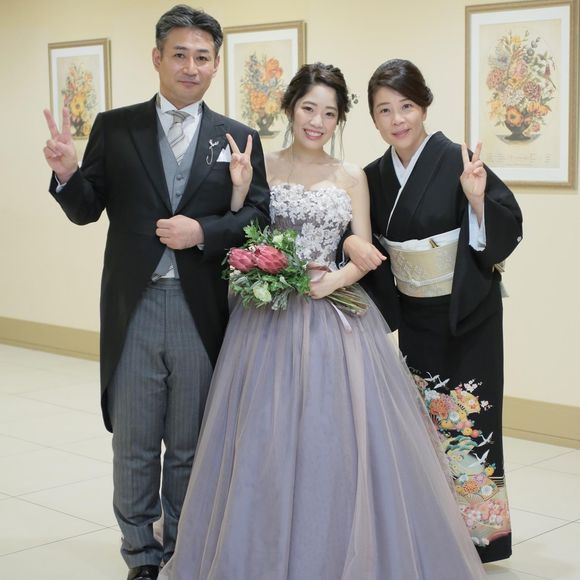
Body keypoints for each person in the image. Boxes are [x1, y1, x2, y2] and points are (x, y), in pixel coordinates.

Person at [159, 62, 486, 580]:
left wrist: (331, 282)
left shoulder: (352, 176)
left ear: (340, 120)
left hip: (333, 316)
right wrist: (240, 190)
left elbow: (364, 252)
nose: (317, 121)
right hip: (265, 317)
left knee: (336, 439)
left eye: (329, 113)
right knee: (263, 436)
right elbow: (244, 231)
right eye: (308, 108)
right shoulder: (263, 165)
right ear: (291, 109)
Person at [42, 5, 270, 579]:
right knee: (135, 443)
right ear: (157, 58)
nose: (190, 67)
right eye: (180, 54)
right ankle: (141, 556)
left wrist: (204, 232)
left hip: (201, 310)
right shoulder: (115, 127)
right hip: (136, 307)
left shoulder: (239, 137)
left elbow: (259, 216)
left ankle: (180, 550)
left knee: (191, 444)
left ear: (216, 64)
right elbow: (87, 209)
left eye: (202, 57)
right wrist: (68, 173)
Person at [344, 58, 523, 563]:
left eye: (406, 106)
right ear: (373, 118)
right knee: (421, 426)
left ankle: (481, 541)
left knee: (471, 424)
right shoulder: (373, 176)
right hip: (415, 317)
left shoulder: (456, 159)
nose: (397, 119)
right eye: (384, 110)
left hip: (467, 315)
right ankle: (433, 533)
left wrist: (477, 199)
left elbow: (508, 226)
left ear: (423, 106)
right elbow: (363, 241)